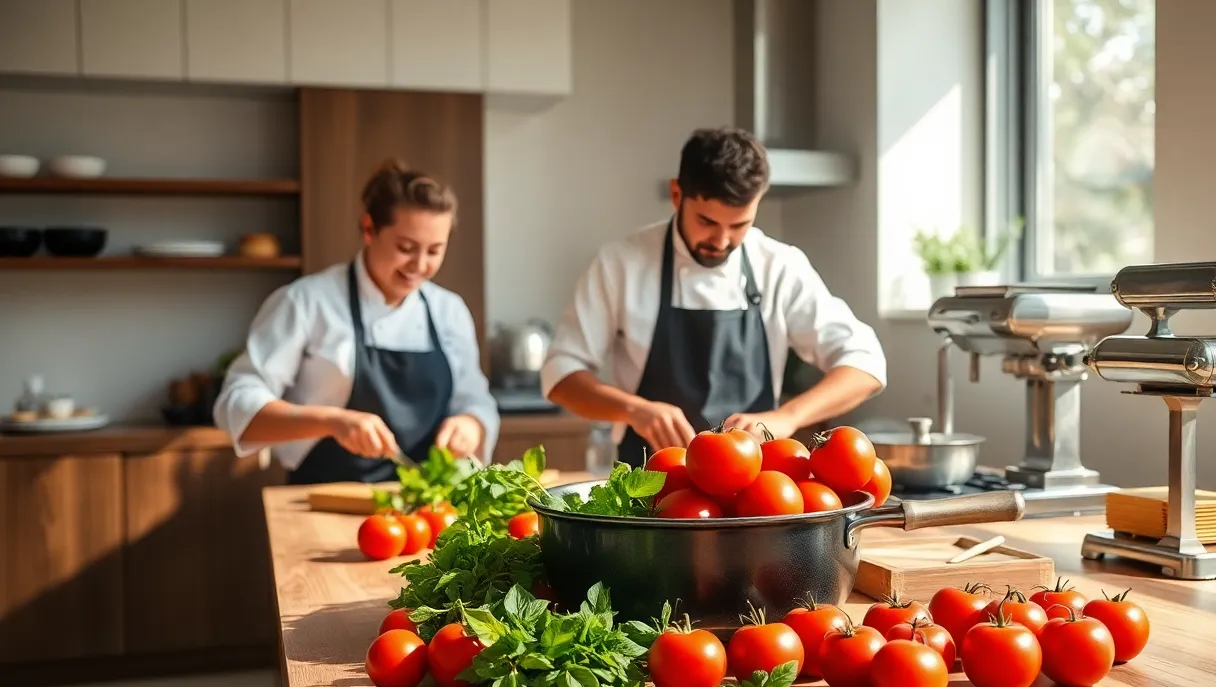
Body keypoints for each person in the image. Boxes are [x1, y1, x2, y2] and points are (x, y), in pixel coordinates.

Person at [541, 127, 887, 466]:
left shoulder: (779, 266)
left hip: (754, 486)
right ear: (677, 195)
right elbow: (561, 373)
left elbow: (866, 362)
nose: (721, 241)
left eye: (739, 225)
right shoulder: (620, 263)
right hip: (650, 478)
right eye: (706, 221)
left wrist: (787, 417)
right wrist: (634, 410)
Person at [213, 159, 499, 484]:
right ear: (368, 229)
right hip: (323, 498)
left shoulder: (449, 310)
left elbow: (475, 398)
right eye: (406, 248)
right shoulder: (307, 302)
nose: (419, 265)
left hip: (426, 506)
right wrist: (332, 421)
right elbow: (236, 403)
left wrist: (470, 423)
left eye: (434, 251)